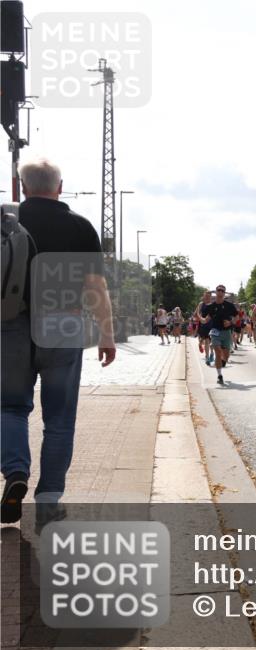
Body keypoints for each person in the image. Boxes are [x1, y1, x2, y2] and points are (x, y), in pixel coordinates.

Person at [2, 157, 117, 523]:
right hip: (64, 326)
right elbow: (96, 287)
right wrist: (107, 334)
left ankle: (15, 472)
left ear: (22, 187)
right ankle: (48, 502)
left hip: (11, 326)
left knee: (10, 408)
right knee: (60, 419)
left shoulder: (6, 222)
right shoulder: (79, 226)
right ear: (60, 187)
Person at [204, 285, 238, 385]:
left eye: (223, 291)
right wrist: (200, 319)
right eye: (219, 290)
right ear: (216, 292)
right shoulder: (212, 306)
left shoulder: (229, 305)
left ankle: (223, 361)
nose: (221, 292)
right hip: (215, 332)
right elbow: (206, 319)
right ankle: (219, 375)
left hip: (226, 332)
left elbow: (237, 317)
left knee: (226, 356)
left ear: (224, 293)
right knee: (218, 352)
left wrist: (230, 322)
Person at [196, 291, 215, 366]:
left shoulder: (213, 305)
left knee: (210, 340)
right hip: (202, 324)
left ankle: (209, 356)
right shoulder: (201, 304)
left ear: (210, 297)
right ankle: (200, 345)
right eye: (205, 296)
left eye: (208, 296)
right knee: (203, 339)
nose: (207, 297)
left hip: (211, 324)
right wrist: (200, 318)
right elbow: (197, 313)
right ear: (204, 296)